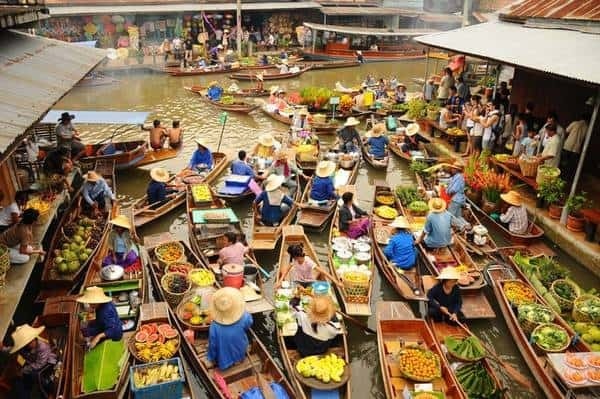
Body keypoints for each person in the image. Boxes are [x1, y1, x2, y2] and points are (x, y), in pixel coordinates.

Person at [207, 287, 253, 370]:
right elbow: (249, 324)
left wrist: (211, 357)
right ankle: (238, 360)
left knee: (221, 354)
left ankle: (226, 364)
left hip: (223, 360)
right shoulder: (245, 316)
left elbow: (212, 345)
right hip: (240, 352)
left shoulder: (214, 326)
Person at [10, 324, 57, 399]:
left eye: (32, 340)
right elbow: (11, 349)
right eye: (28, 342)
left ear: (34, 338)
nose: (31, 343)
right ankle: (26, 394)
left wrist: (23, 370)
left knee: (37, 374)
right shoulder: (23, 348)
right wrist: (3, 348)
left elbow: (40, 364)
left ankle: (48, 393)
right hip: (34, 363)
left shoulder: (42, 347)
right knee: (20, 380)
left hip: (48, 362)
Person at [562, 113, 589, 180]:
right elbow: (586, 138)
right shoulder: (587, 127)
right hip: (576, 149)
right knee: (571, 164)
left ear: (581, 117)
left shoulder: (575, 123)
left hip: (567, 146)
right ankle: (567, 178)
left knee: (563, 162)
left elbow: (566, 131)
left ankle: (561, 175)